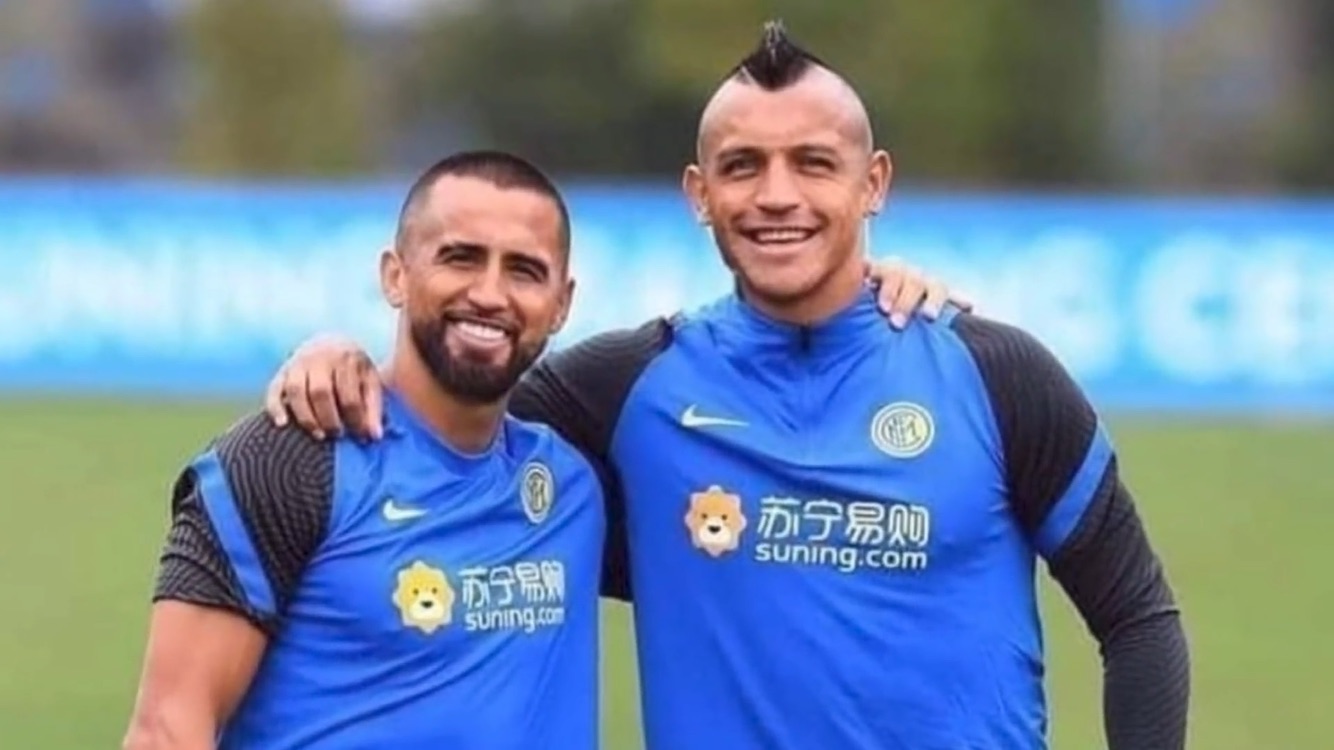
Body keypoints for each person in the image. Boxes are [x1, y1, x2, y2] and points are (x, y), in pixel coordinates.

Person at [263, 22, 1190, 750]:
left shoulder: (996, 375)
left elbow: (1138, 621)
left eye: (813, 164)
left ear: (873, 183)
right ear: (700, 193)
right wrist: (342, 357)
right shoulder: (623, 390)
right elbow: (447, 423)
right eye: (743, 167)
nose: (776, 195)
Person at [123, 150, 609, 750]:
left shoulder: (575, 482)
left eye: (524, 271)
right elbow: (166, 730)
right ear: (395, 275)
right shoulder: (288, 461)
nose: (489, 293)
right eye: (460, 258)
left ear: (561, 303)